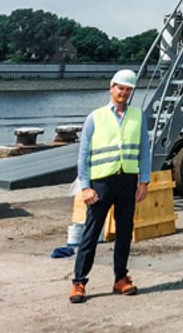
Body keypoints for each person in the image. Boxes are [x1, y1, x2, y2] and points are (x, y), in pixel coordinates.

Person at [70, 69, 151, 303]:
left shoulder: (138, 116)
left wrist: (144, 180)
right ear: (111, 87)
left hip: (128, 181)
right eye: (120, 88)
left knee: (125, 232)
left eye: (128, 89)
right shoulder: (95, 117)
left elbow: (144, 150)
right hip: (101, 183)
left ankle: (120, 278)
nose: (123, 93)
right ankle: (79, 281)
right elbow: (83, 155)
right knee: (91, 233)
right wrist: (85, 187)